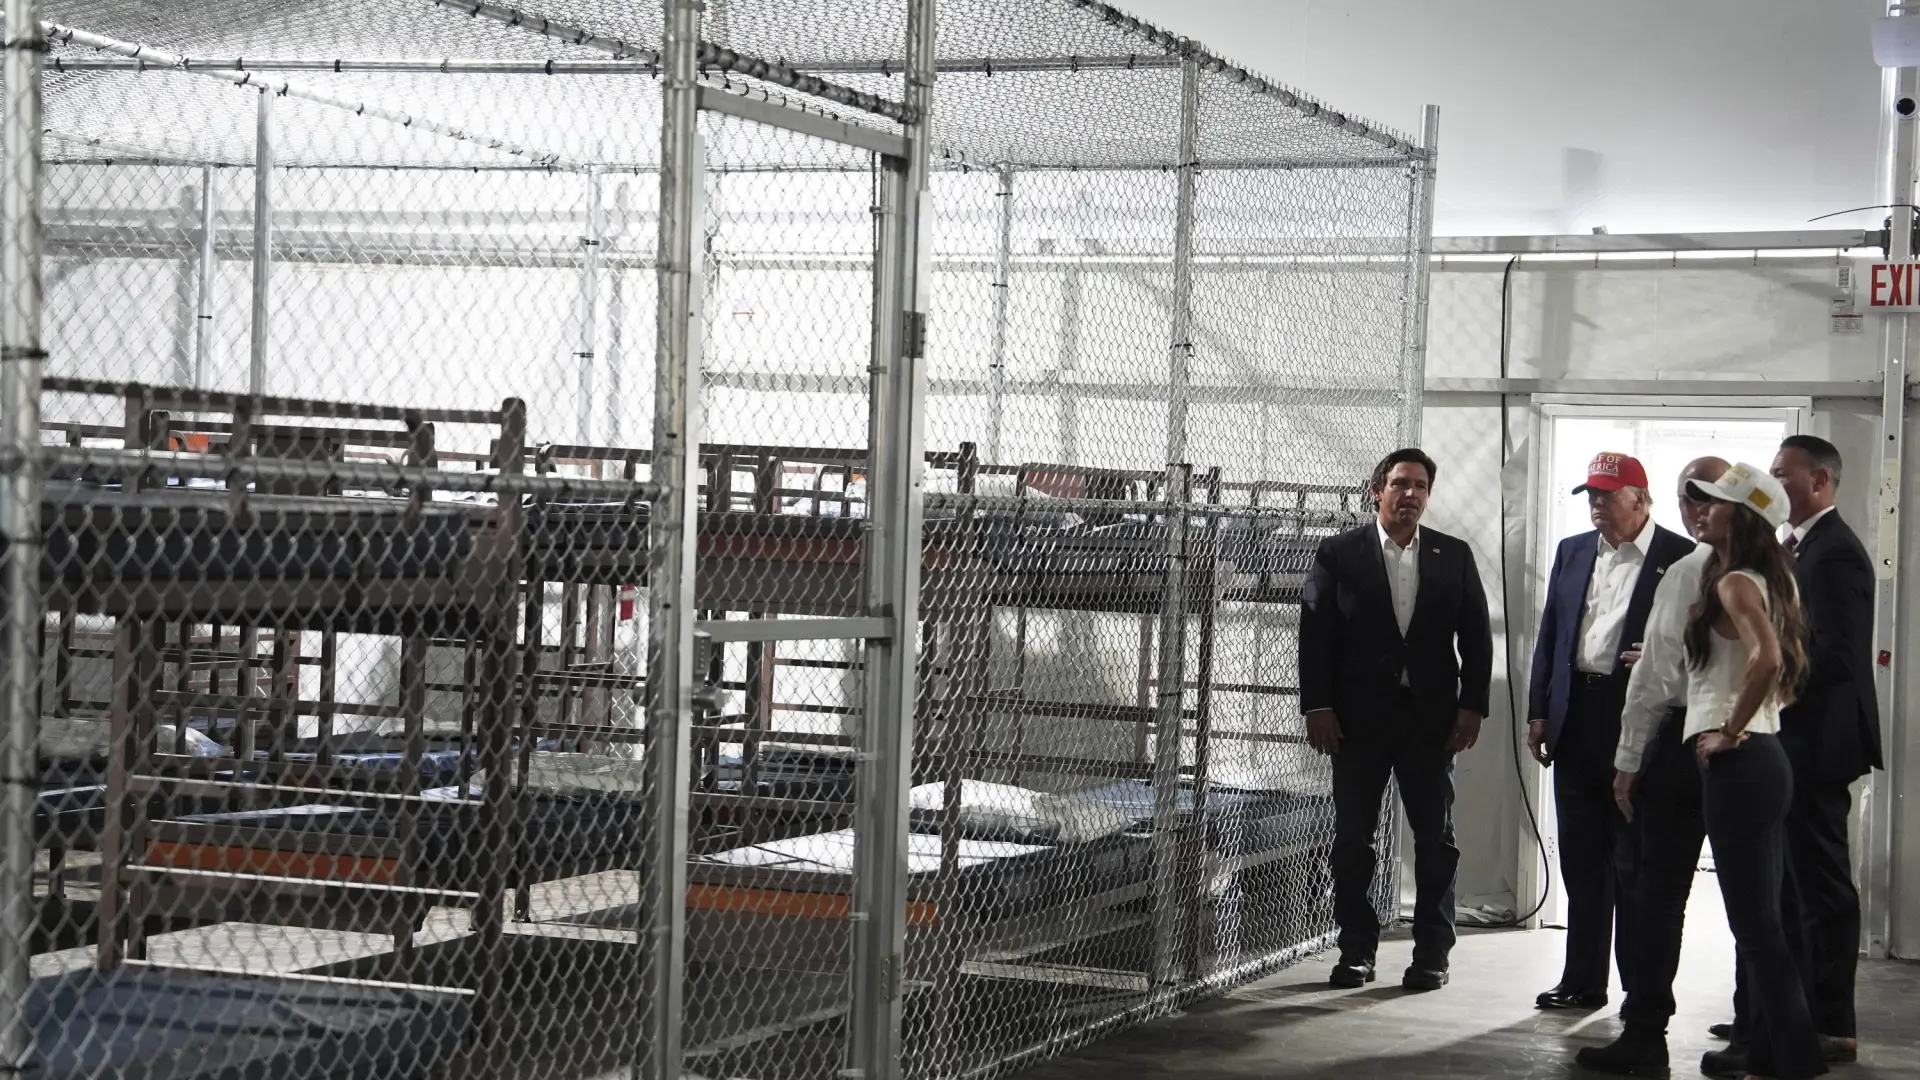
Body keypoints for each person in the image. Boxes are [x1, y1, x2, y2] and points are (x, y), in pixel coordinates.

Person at [1711, 437, 1884, 1069]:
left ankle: (1832, 1023)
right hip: (1795, 739)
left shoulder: (1835, 552)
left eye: (1783, 475)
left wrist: (1764, 685)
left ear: (1819, 482)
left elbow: (1836, 654)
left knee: (1820, 884)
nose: (1774, 483)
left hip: (1819, 743)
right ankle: (1781, 1015)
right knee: (1786, 887)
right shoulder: (1796, 547)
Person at [1299, 447, 1493, 992]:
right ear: (1377, 491)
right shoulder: (1339, 553)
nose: (1411, 494)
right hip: (1357, 723)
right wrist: (1317, 706)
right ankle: (1355, 951)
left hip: (1430, 723)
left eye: (1421, 486)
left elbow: (1477, 636)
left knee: (1436, 841)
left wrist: (1472, 705)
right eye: (1401, 484)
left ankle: (1431, 955)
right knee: (1352, 841)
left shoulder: (1453, 555)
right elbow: (1315, 635)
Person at [1526, 452, 1695, 1011]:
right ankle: (1582, 980)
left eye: (1608, 494)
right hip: (1576, 714)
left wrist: (1667, 659)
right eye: (1591, 495)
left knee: (1634, 859)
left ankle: (1638, 988)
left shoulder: (1680, 557)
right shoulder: (1573, 551)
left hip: (1640, 719)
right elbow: (1552, 634)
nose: (1597, 504)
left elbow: (1706, 642)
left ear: (1640, 499)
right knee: (1581, 856)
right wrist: (1539, 710)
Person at [1573, 456, 1724, 1076]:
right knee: (1758, 905)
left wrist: (1629, 761)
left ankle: (1645, 1033)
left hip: (1684, 744)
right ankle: (1769, 1034)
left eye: (1703, 498)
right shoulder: (1773, 569)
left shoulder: (1688, 569)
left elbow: (1655, 679)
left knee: (1658, 896)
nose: (1697, 509)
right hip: (1750, 748)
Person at [1679, 461, 1828, 1080]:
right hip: (1764, 760)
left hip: (1742, 763)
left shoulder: (1736, 582)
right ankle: (1776, 1051)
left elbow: (1766, 661)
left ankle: (1795, 1056)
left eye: (1716, 502)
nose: (1702, 509)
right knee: (1763, 921)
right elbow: (1773, 665)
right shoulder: (1772, 580)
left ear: (1743, 518)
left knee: (1756, 924)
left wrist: (1728, 730)